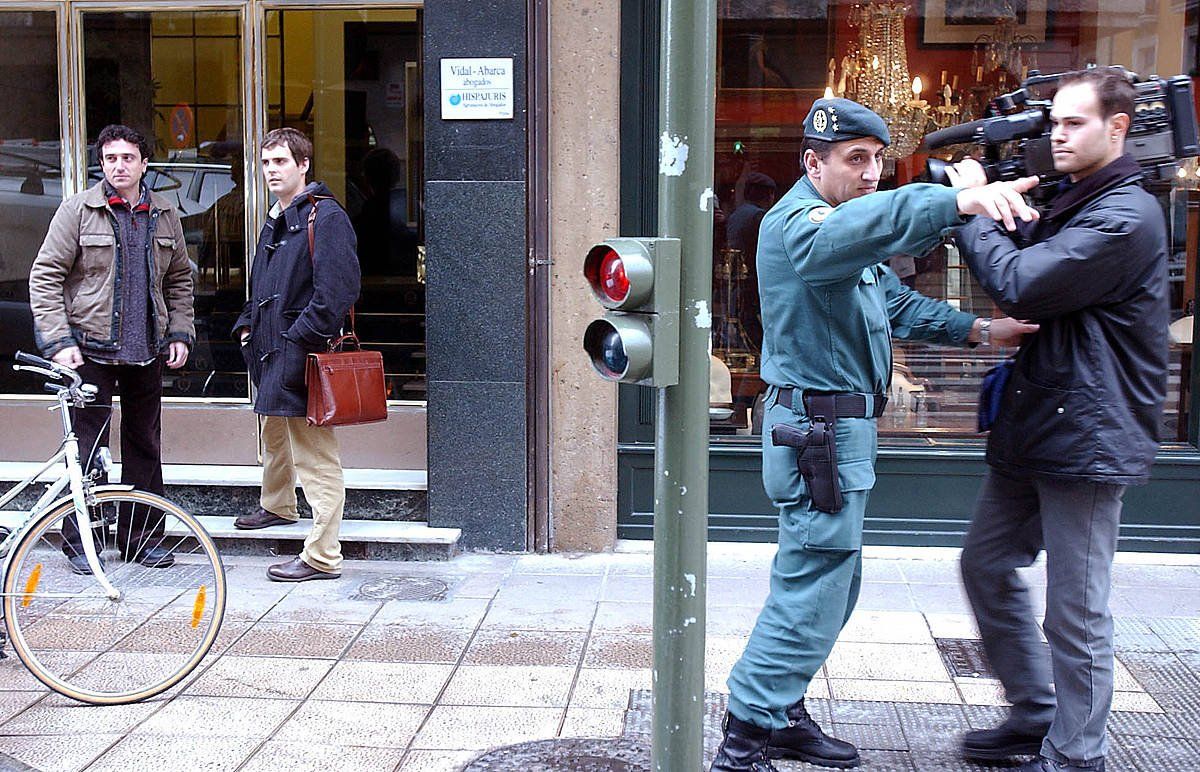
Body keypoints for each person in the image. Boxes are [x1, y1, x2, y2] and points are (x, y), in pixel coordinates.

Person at [710, 98, 1041, 772]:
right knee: (815, 585)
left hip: (836, 431)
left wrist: (978, 330)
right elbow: (876, 222)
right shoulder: (799, 225)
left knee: (830, 583)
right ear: (813, 162)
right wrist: (957, 196)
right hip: (818, 433)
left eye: (878, 160)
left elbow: (890, 300)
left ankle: (782, 712)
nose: (870, 173)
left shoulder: (841, 236)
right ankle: (744, 736)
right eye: (855, 159)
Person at [953, 69, 1168, 772]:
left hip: (1089, 434)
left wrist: (973, 212)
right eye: (1055, 123)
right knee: (986, 564)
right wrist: (1003, 206)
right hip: (1044, 421)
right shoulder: (1082, 201)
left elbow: (1023, 284)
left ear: (1117, 127)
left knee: (1074, 611)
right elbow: (1031, 259)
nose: (1059, 135)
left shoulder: (1126, 216)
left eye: (1075, 123)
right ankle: (1036, 711)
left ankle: (1077, 755)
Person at [28, 123, 194, 575]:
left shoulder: (164, 213)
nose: (118, 166)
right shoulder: (77, 211)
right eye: (109, 159)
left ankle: (142, 539)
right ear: (101, 164)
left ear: (143, 163)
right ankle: (82, 541)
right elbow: (45, 277)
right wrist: (59, 341)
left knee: (145, 446)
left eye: (127, 158)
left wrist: (179, 332)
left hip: (147, 353)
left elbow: (179, 278)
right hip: (89, 351)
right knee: (88, 448)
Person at [231, 128, 360, 582]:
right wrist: (247, 326)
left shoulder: (324, 218)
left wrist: (295, 338)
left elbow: (337, 292)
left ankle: (323, 555)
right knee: (273, 433)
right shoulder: (278, 217)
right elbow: (260, 285)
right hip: (271, 352)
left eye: (281, 162)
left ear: (303, 165)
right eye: (266, 163)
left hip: (300, 353)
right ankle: (278, 505)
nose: (271, 171)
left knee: (315, 456)